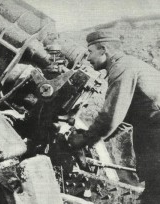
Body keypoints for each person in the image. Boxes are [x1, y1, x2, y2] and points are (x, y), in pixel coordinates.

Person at [67, 30, 160, 203]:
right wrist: (91, 139)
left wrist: (83, 140)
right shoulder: (130, 65)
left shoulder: (122, 68)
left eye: (90, 52)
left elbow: (111, 115)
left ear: (103, 49)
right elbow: (123, 120)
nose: (88, 58)